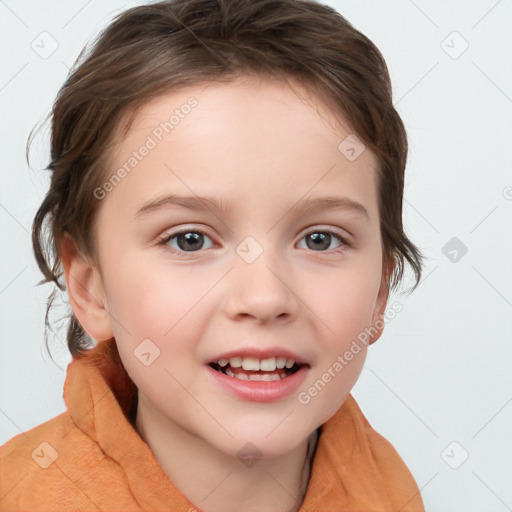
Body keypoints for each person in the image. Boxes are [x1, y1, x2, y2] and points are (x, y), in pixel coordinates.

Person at [0, 0, 426, 510]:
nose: (265, 297)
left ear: (380, 291)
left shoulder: (389, 489)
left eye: (320, 239)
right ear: (91, 287)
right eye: (190, 239)